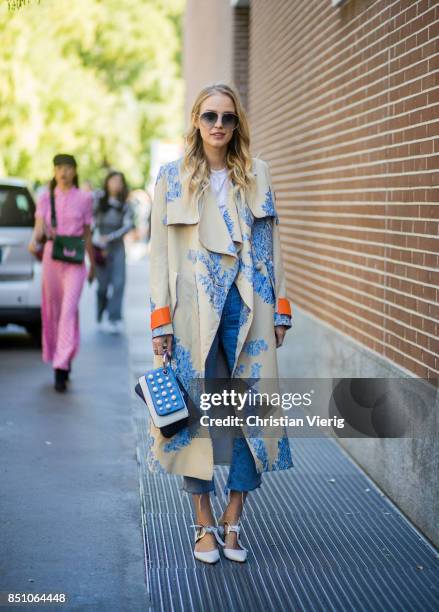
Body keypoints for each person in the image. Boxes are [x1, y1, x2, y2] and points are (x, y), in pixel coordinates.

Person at [148, 82, 294, 564]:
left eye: (227, 118)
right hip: (192, 316)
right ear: (195, 120)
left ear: (237, 125)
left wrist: (281, 309)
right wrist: (161, 323)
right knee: (196, 420)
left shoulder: (256, 174)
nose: (218, 125)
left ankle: (234, 521)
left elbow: (271, 247)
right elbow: (158, 255)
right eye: (209, 116)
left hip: (248, 312)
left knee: (249, 418)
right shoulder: (171, 178)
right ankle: (202, 525)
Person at [28, 154, 95, 392]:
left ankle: (60, 365)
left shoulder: (85, 198)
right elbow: (38, 229)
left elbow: (87, 233)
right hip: (51, 259)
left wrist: (93, 264)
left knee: (68, 310)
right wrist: (33, 242)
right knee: (55, 311)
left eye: (67, 168)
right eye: (59, 168)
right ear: (54, 171)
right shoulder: (45, 197)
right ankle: (63, 358)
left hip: (75, 262)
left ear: (75, 171)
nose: (63, 172)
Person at [92, 171, 135, 334]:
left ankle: (114, 317)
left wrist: (109, 237)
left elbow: (128, 225)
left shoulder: (126, 204)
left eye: (119, 181)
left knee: (118, 283)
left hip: (117, 247)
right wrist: (98, 240)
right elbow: (91, 222)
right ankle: (100, 313)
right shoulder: (98, 201)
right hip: (99, 248)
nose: (116, 184)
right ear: (107, 182)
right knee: (102, 286)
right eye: (113, 181)